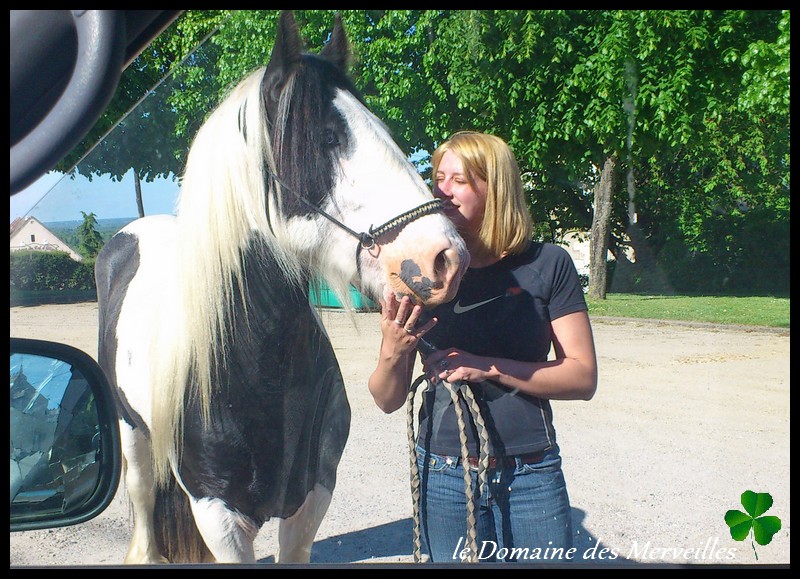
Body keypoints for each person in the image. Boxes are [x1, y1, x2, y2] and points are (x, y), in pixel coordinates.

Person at [367, 131, 598, 563]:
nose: (442, 190)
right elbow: (386, 399)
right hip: (443, 474)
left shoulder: (548, 264)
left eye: (460, 179)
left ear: (496, 188)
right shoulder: (421, 274)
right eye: (438, 178)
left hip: (530, 473)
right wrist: (392, 350)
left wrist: (486, 366)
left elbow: (582, 376)